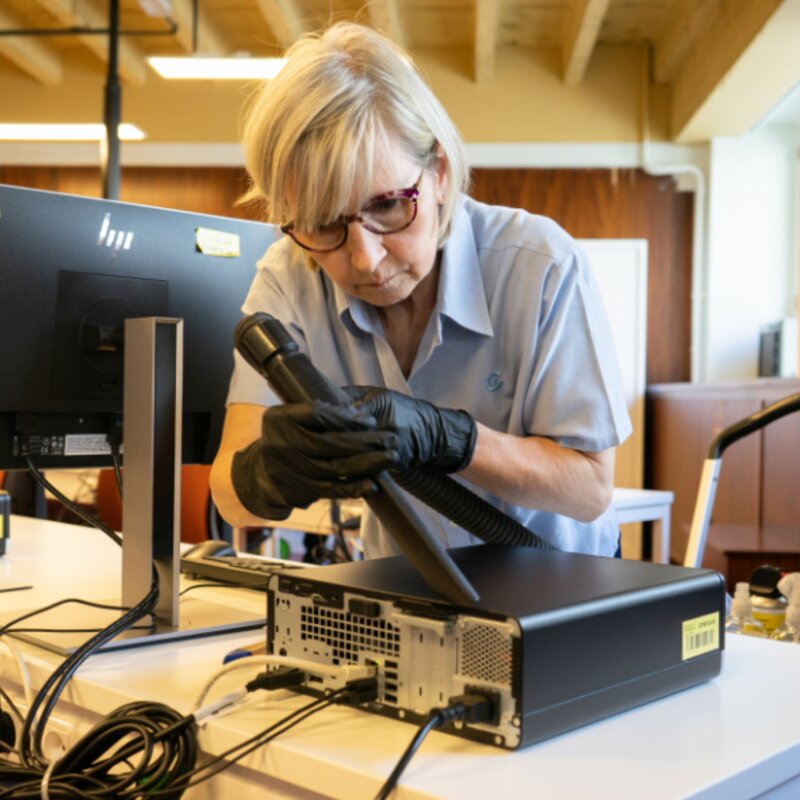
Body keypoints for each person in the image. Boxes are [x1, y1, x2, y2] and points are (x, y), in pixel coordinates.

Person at [209, 21, 632, 560]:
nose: (365, 258)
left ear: (438, 173)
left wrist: (450, 439)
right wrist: (270, 473)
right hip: (412, 591)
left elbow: (590, 488)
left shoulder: (542, 266)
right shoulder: (290, 275)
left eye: (387, 206)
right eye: (321, 225)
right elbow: (228, 496)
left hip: (560, 594)